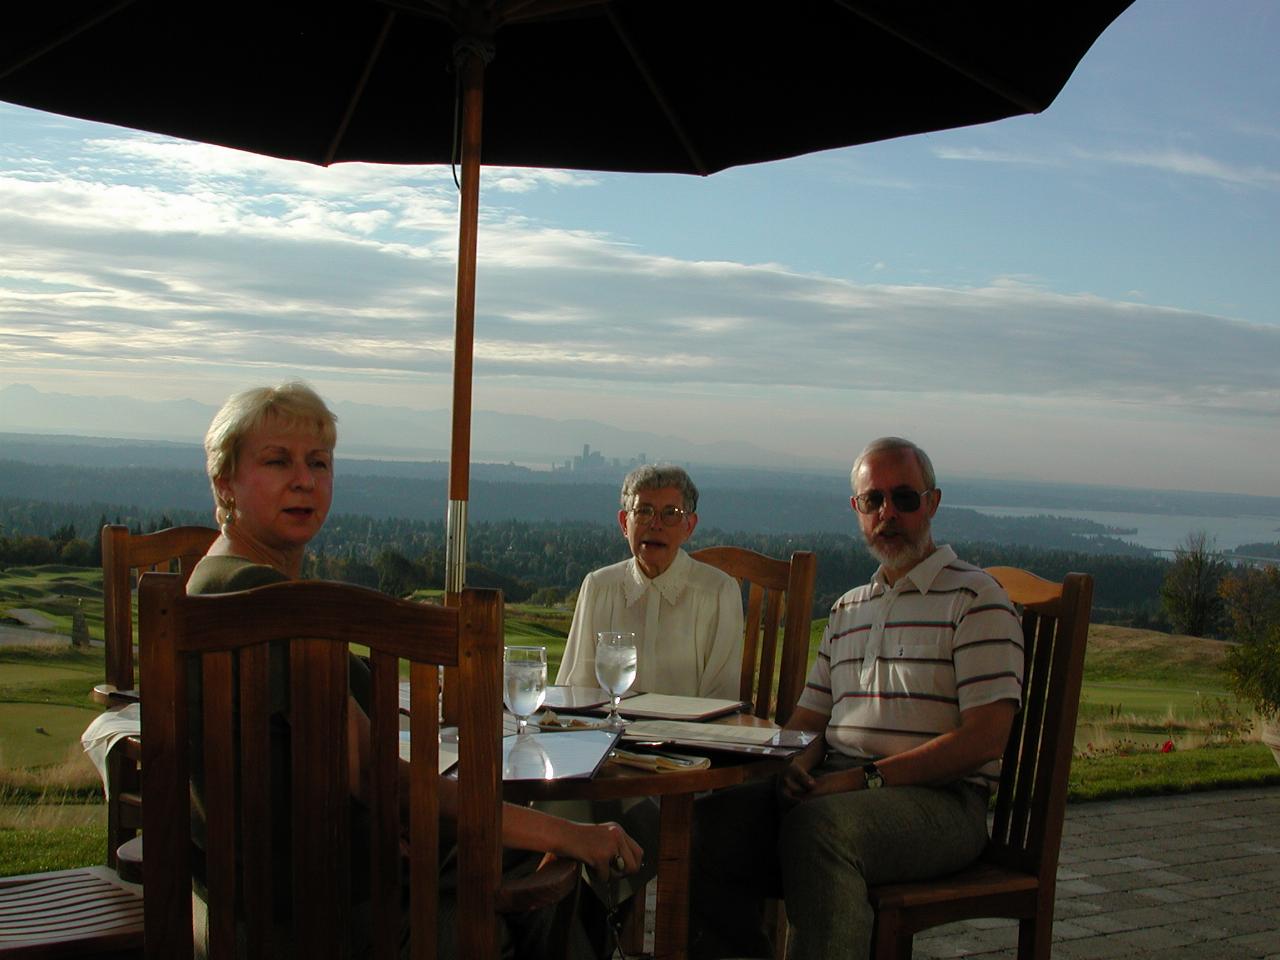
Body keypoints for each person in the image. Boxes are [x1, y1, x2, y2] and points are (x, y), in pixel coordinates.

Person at [191, 381, 641, 958]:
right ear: (225, 481)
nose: (303, 479)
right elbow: (381, 782)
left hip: (277, 891)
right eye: (277, 461)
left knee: (531, 856)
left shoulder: (222, 580)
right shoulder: (260, 600)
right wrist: (573, 833)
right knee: (549, 874)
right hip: (331, 913)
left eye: (318, 462)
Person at [691, 437, 1025, 960]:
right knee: (710, 825)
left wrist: (863, 780)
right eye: (874, 501)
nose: (888, 513)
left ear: (932, 504)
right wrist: (792, 766)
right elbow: (808, 721)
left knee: (820, 829)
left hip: (942, 803)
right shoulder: (849, 608)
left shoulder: (976, 598)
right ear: (857, 510)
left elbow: (987, 737)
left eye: (904, 498)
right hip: (838, 788)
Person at [557, 464, 744, 699]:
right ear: (625, 523)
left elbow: (720, 700)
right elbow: (574, 689)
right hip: (608, 733)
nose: (655, 525)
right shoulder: (598, 587)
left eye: (670, 514)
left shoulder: (718, 593)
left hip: (688, 735)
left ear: (689, 526)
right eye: (644, 511)